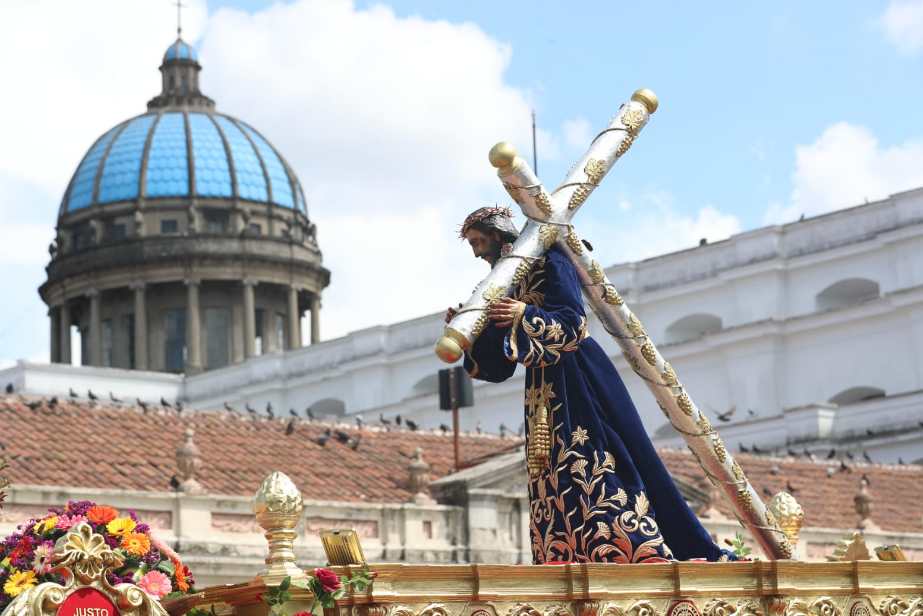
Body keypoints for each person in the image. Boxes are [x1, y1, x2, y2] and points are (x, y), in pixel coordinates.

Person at [447, 205, 732, 564]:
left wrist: (524, 314)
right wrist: (471, 332)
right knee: (553, 468)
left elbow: (573, 322)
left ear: (496, 233)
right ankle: (567, 551)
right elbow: (500, 363)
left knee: (599, 452)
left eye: (478, 241)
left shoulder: (551, 258)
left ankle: (624, 544)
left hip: (578, 373)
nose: (477, 252)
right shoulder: (504, 279)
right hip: (542, 387)